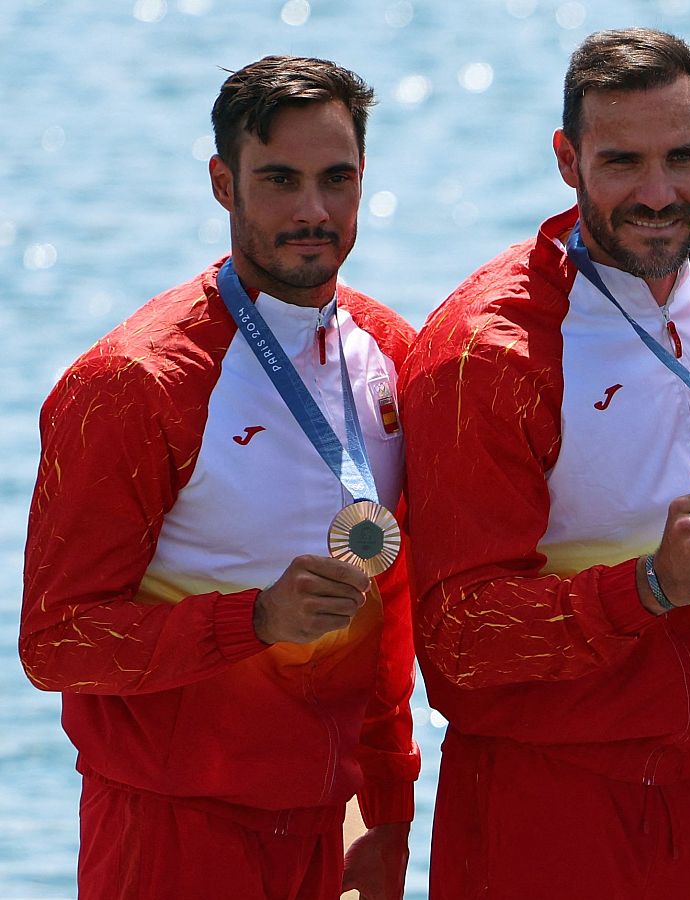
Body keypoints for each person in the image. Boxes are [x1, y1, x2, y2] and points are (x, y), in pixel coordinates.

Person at [20, 56, 418, 900]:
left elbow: (387, 608)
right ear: (222, 183)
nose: (313, 211)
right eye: (279, 179)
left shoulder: (390, 352)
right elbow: (55, 644)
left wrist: (385, 809)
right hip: (169, 834)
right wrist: (254, 620)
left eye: (336, 178)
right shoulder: (132, 384)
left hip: (331, 830)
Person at [400, 28, 690, 899]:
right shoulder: (489, 354)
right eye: (622, 162)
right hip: (541, 798)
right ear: (567, 160)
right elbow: (457, 639)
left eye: (682, 157)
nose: (658, 194)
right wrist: (649, 585)